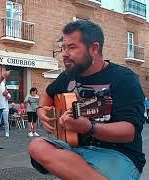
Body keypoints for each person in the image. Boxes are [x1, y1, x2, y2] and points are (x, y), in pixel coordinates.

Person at [28, 20, 146, 180]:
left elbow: (129, 132)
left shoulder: (124, 78)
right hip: (75, 148)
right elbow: (48, 94)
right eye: (63, 47)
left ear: (94, 48)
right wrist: (41, 109)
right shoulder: (67, 76)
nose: (64, 53)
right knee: (37, 146)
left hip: (119, 153)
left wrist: (89, 128)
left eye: (72, 47)